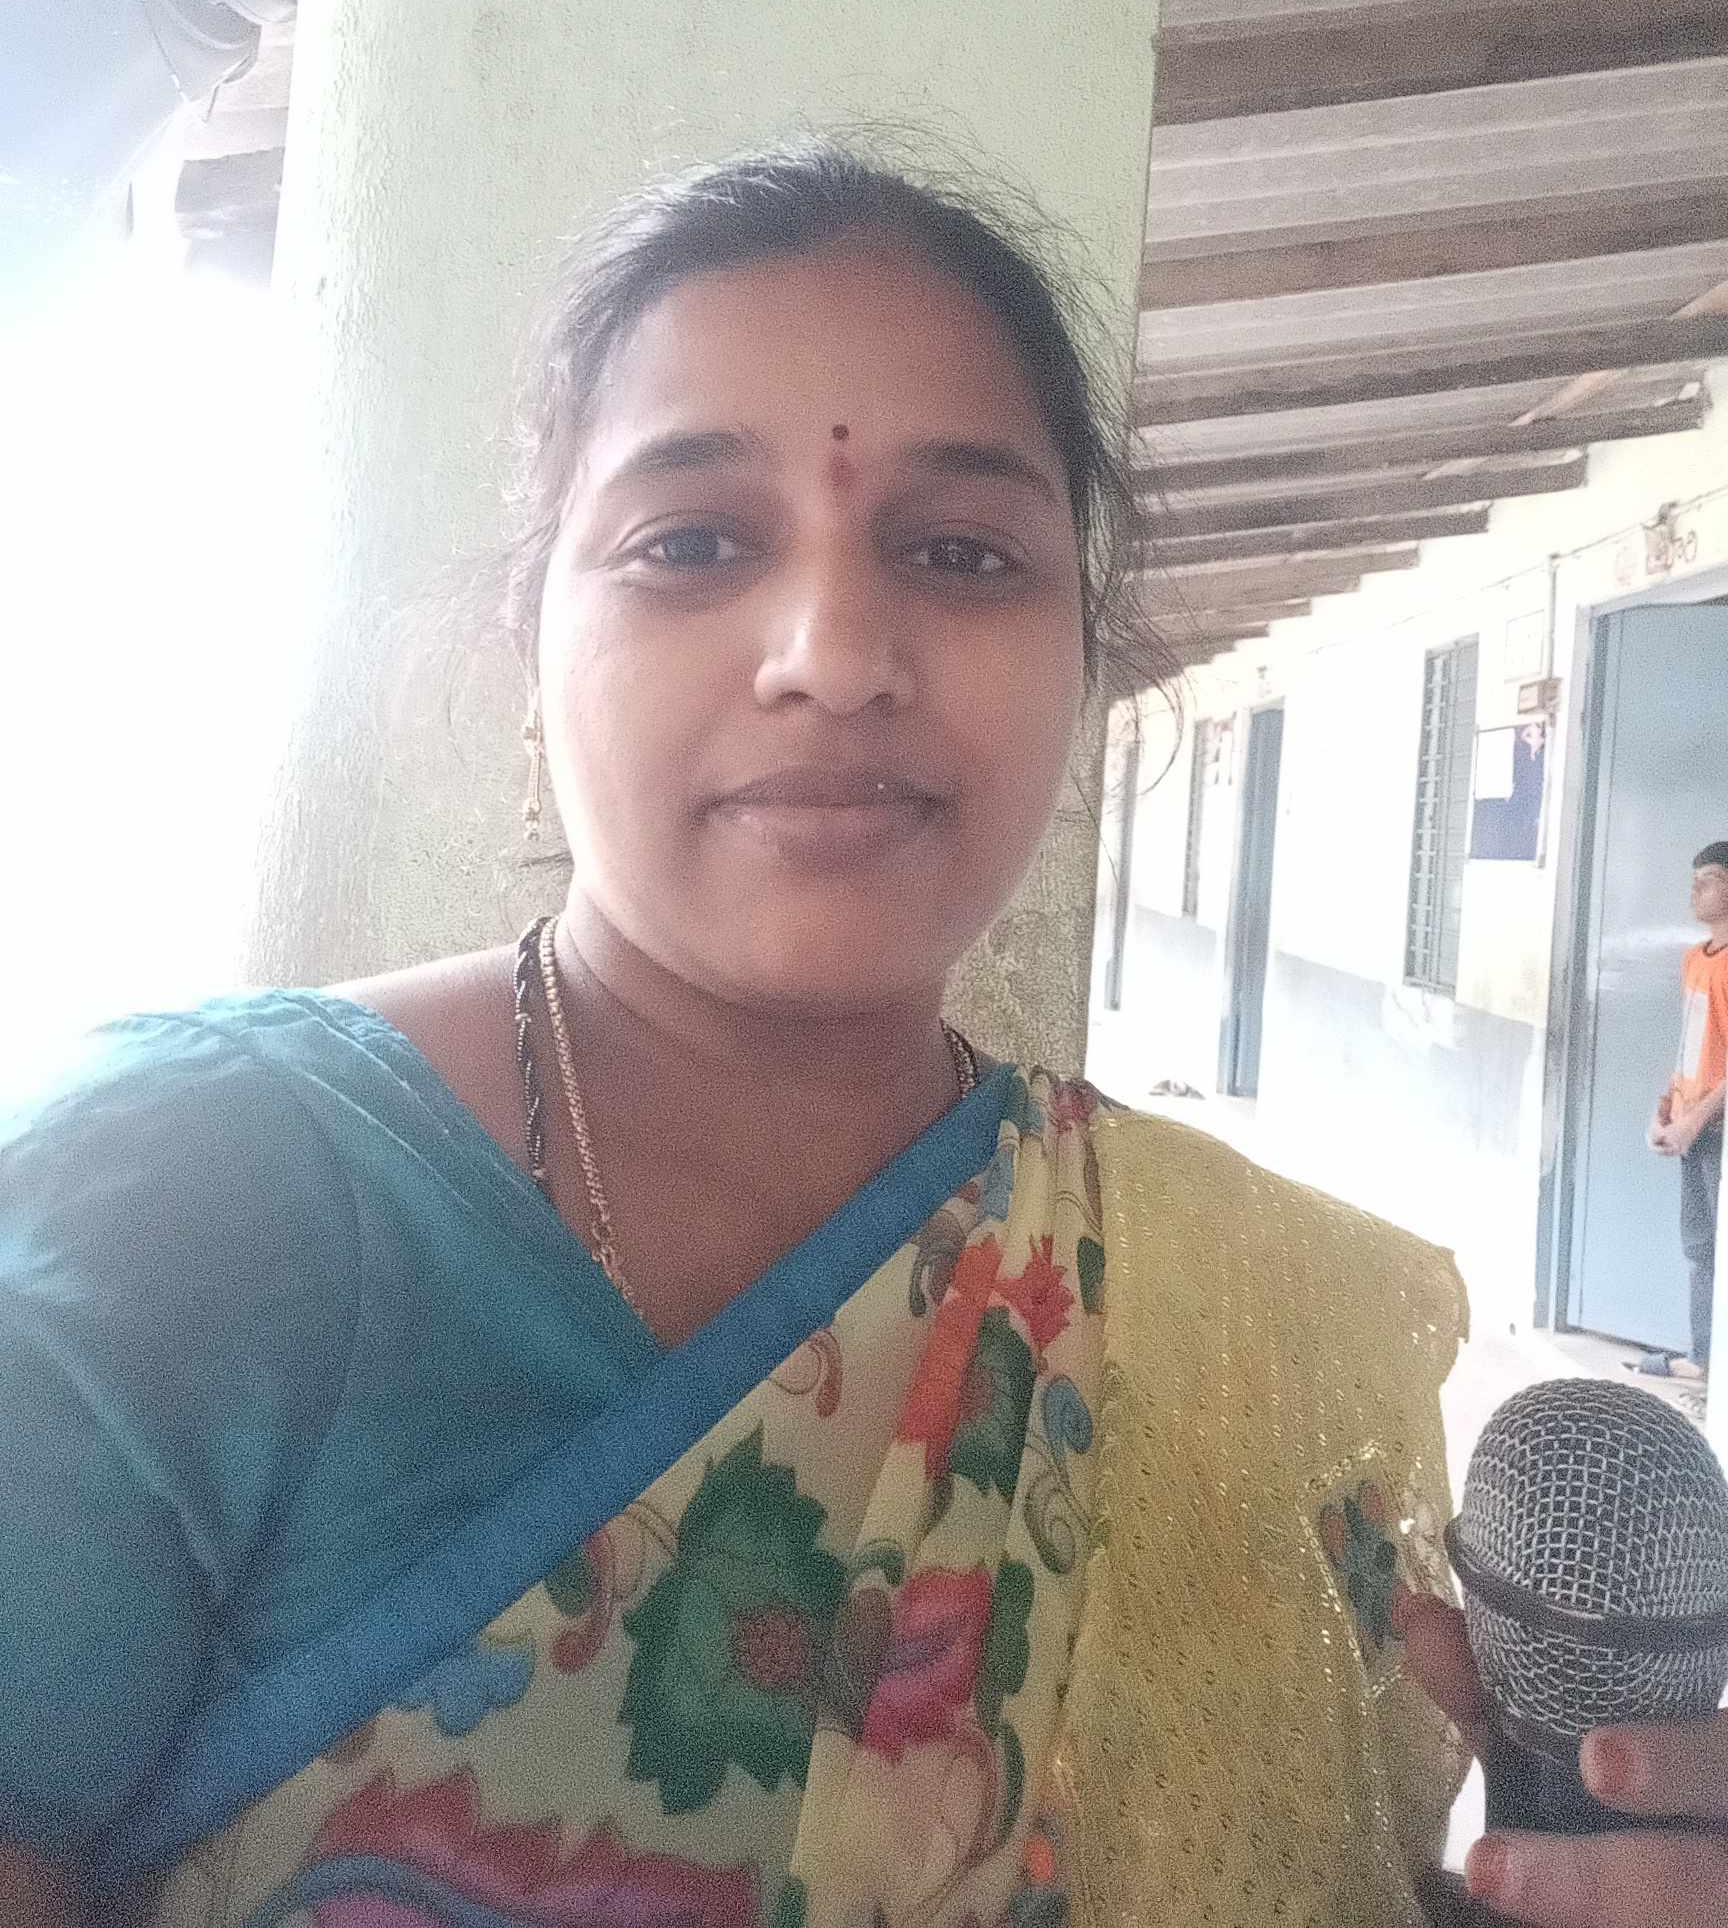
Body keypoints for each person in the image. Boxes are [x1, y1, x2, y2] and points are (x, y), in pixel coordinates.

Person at [1, 145, 1724, 1928]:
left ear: (1083, 656)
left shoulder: (1236, 1310)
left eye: (958, 551)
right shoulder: (171, 1215)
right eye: (691, 543)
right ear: (533, 640)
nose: (832, 652)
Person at [1638, 843, 1728, 1385]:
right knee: (1699, 1245)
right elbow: (1691, 1047)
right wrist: (1666, 1110)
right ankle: (1702, 1358)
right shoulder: (1695, 958)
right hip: (1693, 1126)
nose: (1695, 890)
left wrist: (1698, 1120)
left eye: (1709, 879)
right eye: (1694, 879)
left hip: (1717, 1129)